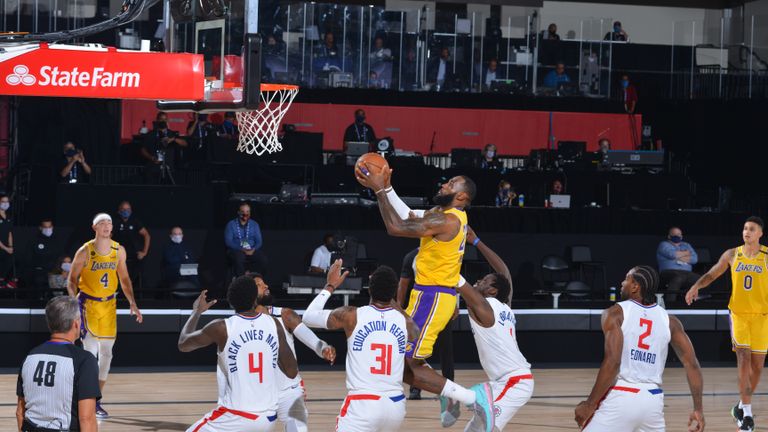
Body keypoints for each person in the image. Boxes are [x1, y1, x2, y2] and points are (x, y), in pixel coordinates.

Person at [354, 167, 496, 432]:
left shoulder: (449, 221)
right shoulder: (442, 216)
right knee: (407, 363)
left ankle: (470, 398)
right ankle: (451, 394)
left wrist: (377, 191)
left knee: (404, 364)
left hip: (433, 297)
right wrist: (385, 188)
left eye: (452, 183)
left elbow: (396, 227)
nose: (444, 185)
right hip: (427, 296)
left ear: (462, 197)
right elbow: (407, 215)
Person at [576, 266, 704, 432]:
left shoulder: (615, 313)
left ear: (635, 286)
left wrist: (589, 404)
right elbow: (692, 365)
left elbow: (613, 362)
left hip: (622, 396)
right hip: (653, 402)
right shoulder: (670, 321)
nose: (622, 283)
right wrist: (698, 409)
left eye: (627, 279)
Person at [303, 260, 415, 432]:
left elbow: (308, 316)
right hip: (396, 406)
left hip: (363, 404)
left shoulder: (351, 316)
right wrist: (392, 300)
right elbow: (416, 331)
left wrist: (330, 286)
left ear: (369, 289)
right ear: (394, 292)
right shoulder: (406, 323)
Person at [178, 277, 298, 432]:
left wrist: (197, 312)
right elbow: (292, 371)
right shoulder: (273, 323)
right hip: (268, 418)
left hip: (235, 416)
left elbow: (183, 344)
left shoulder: (221, 327)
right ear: (255, 299)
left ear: (231, 301)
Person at [685, 216, 768, 431]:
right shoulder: (732, 254)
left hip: (762, 316)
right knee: (743, 358)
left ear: (760, 233)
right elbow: (713, 273)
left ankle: (740, 407)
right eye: (744, 228)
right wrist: (696, 286)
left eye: (751, 229)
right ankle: (747, 414)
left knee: (758, 367)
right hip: (739, 315)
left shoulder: (767, 256)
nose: (746, 232)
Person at [454, 227, 534, 432]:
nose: (479, 280)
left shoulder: (485, 307)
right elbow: (504, 272)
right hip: (502, 382)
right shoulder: (505, 305)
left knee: (488, 428)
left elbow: (458, 282)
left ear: (492, 290)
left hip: (514, 382)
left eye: (484, 281)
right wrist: (476, 240)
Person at [67, 213, 143, 419]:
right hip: (87, 304)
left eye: (109, 222)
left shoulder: (119, 250)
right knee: (90, 354)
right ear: (94, 227)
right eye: (102, 222)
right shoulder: (85, 251)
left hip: (109, 305)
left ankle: (96, 400)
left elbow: (125, 278)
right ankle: (85, 399)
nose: (107, 225)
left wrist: (133, 303)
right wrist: (74, 304)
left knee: (107, 355)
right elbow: (71, 279)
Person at [248, 272, 336, 432]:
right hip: (258, 394)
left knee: (298, 428)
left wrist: (324, 348)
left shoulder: (285, 314)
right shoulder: (240, 322)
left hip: (289, 391)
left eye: (264, 282)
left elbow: (312, 340)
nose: (266, 285)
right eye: (259, 285)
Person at [16, 296, 100, 432]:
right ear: (76, 324)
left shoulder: (30, 356)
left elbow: (20, 412)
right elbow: (87, 419)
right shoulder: (84, 360)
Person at [398, 248, 457, 401]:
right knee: (415, 349)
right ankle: (415, 389)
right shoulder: (412, 256)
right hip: (421, 308)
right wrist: (399, 308)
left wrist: (454, 304)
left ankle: (449, 388)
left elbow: (452, 279)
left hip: (441, 304)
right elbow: (403, 284)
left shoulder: (444, 253)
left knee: (446, 348)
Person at [112, 201, 151, 290]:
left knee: (137, 274)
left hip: (133, 254)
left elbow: (146, 235)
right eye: (124, 209)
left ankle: (135, 294)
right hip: (119, 254)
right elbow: (107, 237)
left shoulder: (135, 222)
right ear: (119, 211)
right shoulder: (115, 222)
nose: (126, 211)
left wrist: (144, 252)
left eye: (128, 209)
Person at [657, 227, 699, 302]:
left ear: (682, 236)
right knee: (678, 277)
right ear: (669, 236)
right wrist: (686, 253)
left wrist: (678, 256)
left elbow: (694, 259)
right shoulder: (664, 244)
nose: (677, 236)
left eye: (679, 234)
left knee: (703, 279)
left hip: (687, 273)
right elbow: (672, 254)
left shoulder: (686, 245)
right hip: (668, 272)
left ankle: (694, 301)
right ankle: (670, 303)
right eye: (674, 234)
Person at [225, 202, 267, 276]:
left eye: (247, 211)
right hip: (236, 250)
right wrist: (242, 249)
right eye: (243, 211)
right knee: (239, 258)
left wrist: (253, 249)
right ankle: (242, 281)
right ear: (238, 212)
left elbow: (259, 241)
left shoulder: (254, 224)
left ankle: (254, 278)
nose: (245, 214)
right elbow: (228, 242)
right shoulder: (231, 224)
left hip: (251, 249)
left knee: (262, 259)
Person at [29, 218, 61, 290]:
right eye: (45, 227)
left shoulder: (56, 240)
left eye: (49, 227)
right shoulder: (35, 240)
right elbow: (31, 257)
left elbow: (59, 256)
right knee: (39, 281)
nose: (48, 229)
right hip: (39, 271)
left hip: (54, 270)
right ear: (41, 228)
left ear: (52, 227)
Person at [0, 194, 16, 288]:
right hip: (1, 246)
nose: (5, 204)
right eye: (3, 202)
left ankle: (5, 282)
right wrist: (5, 248)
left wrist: (10, 246)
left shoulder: (9, 216)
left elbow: (10, 232)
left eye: (7, 202)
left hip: (6, 246)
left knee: (12, 259)